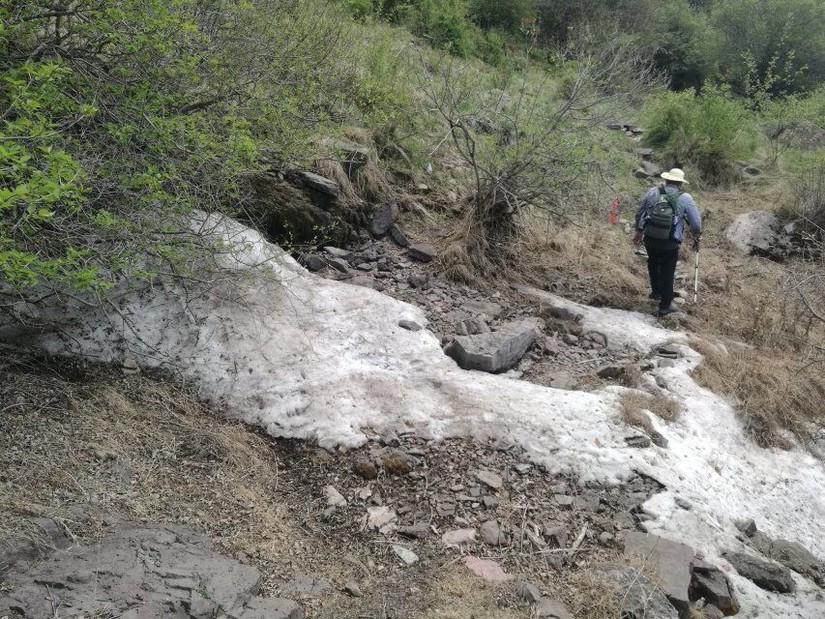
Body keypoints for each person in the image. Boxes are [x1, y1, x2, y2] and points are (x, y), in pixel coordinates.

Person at [633, 168, 701, 317]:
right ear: (680, 183)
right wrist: (696, 234)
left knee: (653, 262)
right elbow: (695, 222)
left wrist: (638, 231)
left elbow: (640, 212)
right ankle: (665, 305)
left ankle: (657, 292)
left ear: (666, 180)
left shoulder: (652, 192)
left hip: (650, 238)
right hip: (670, 241)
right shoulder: (685, 197)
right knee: (668, 270)